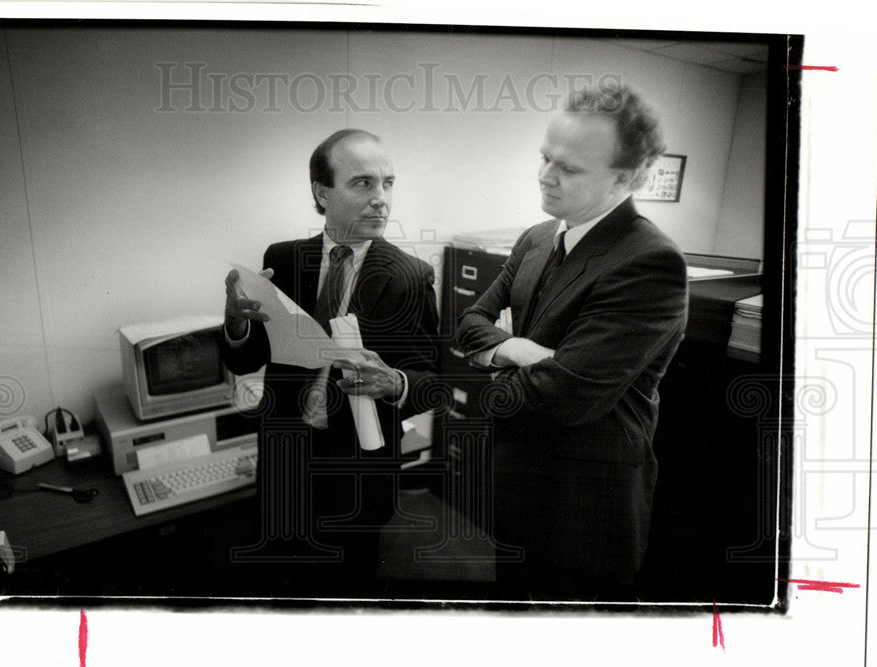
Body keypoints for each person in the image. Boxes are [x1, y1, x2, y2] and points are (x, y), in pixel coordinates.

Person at [456, 85, 688, 601]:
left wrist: (497, 366)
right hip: (517, 480)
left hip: (584, 505)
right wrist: (516, 349)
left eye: (570, 168)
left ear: (627, 178)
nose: (545, 176)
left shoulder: (648, 261)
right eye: (545, 157)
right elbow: (469, 321)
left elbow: (566, 395)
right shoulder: (537, 238)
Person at [222, 128, 439, 596]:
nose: (381, 199)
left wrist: (395, 381)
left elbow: (430, 379)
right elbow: (247, 361)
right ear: (322, 192)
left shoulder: (410, 276)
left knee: (349, 588)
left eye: (388, 183)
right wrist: (236, 325)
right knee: (281, 580)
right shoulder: (282, 259)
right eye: (363, 183)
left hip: (358, 472)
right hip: (285, 456)